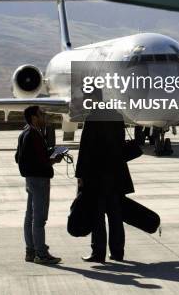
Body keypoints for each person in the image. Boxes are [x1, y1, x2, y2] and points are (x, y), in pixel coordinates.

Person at [75, 111, 134, 263]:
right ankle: (117, 252)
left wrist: (80, 175)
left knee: (97, 216)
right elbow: (121, 145)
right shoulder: (117, 116)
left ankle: (98, 252)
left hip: (97, 177)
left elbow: (85, 148)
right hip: (115, 176)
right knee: (116, 216)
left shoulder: (92, 118)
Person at [15, 106, 63, 264]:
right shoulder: (34, 135)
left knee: (30, 216)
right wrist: (54, 159)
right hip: (39, 180)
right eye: (41, 114)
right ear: (34, 117)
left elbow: (18, 157)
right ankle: (41, 254)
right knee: (39, 219)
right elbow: (40, 161)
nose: (44, 117)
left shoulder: (24, 133)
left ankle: (31, 251)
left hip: (30, 180)